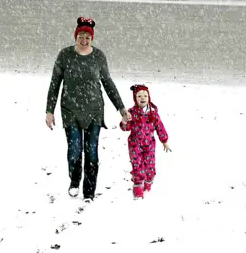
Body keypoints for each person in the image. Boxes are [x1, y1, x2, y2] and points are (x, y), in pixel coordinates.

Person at [46, 17, 131, 201]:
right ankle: (75, 180)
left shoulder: (99, 57)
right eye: (81, 36)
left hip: (94, 109)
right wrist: (49, 110)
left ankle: (89, 192)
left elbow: (108, 83)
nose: (84, 41)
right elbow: (55, 83)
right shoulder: (65, 55)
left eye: (88, 38)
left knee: (92, 153)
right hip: (70, 109)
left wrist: (121, 108)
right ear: (76, 36)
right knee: (74, 151)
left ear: (92, 39)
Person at [120, 84, 171, 199]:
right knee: (137, 166)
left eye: (145, 96)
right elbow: (126, 128)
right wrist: (124, 121)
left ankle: (148, 182)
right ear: (135, 98)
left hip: (149, 145)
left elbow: (160, 127)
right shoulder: (131, 112)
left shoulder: (152, 113)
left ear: (149, 98)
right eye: (139, 96)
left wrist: (164, 141)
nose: (142, 98)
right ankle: (138, 186)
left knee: (149, 167)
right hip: (135, 144)